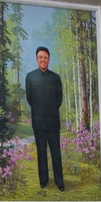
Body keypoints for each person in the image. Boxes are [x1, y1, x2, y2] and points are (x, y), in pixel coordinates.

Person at [25, 47, 64, 191]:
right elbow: (29, 99)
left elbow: (59, 99)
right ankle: (43, 180)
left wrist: (50, 111)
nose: (43, 60)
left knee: (56, 153)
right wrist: (40, 112)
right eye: (40, 57)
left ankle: (59, 181)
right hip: (38, 122)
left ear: (49, 59)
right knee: (41, 153)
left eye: (45, 57)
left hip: (53, 121)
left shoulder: (56, 78)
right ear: (37, 59)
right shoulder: (30, 77)